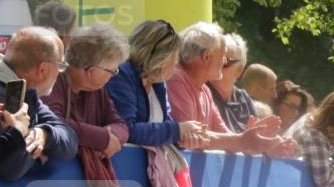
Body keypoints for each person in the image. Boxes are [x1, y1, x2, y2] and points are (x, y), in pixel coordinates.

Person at [166, 22, 293, 156]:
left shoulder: (205, 91)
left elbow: (227, 137)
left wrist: (261, 144)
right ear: (207, 57)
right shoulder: (176, 79)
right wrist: (244, 141)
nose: (224, 62)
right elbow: (189, 137)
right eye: (223, 57)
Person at [43, 23, 131, 187]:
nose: (113, 75)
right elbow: (55, 123)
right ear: (92, 71)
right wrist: (101, 138)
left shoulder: (97, 91)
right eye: (112, 71)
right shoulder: (54, 81)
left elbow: (121, 125)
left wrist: (110, 135)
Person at [105, 20, 207, 149]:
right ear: (161, 57)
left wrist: (183, 139)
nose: (176, 62)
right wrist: (177, 130)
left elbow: (163, 127)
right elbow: (126, 130)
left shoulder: (158, 83)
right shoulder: (122, 75)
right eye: (175, 56)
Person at [0, 26, 76, 181]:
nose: (61, 73)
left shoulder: (25, 93)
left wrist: (43, 134)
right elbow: (11, 168)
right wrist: (19, 132)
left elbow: (69, 139)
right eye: (61, 66)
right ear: (43, 69)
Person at [207, 33, 258, 134]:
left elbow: (256, 137)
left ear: (239, 70)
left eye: (225, 63)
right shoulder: (202, 92)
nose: (218, 65)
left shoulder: (243, 98)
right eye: (215, 60)